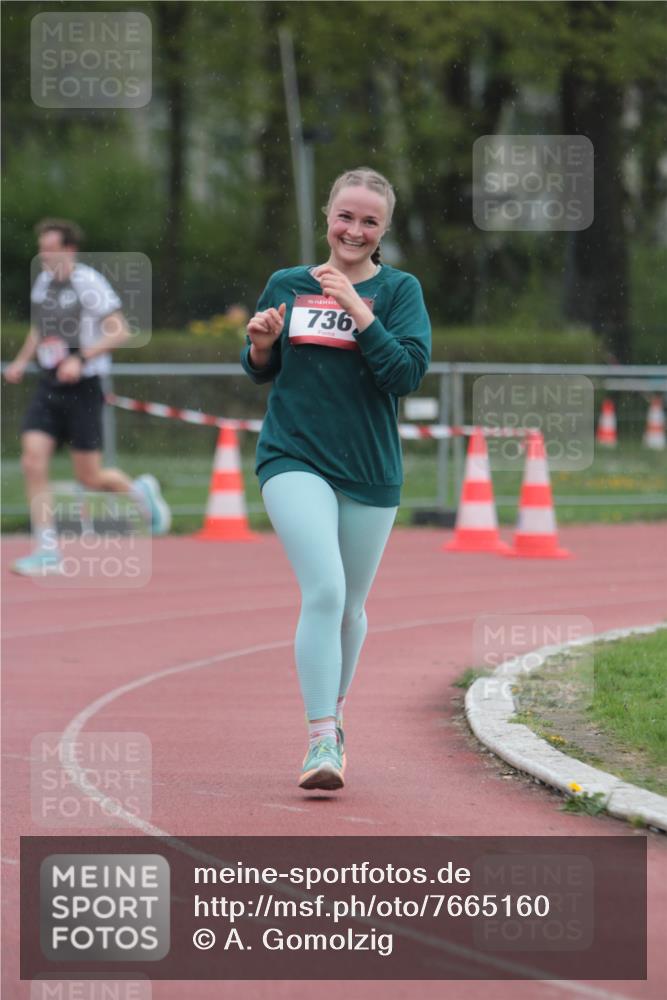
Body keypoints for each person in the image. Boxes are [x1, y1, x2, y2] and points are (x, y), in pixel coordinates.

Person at [241, 167, 431, 791]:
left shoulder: (401, 291)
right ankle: (322, 737)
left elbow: (404, 375)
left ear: (384, 230)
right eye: (345, 216)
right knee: (324, 590)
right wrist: (261, 346)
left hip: (370, 468)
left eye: (369, 221)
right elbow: (263, 372)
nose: (354, 229)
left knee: (350, 607)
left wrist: (359, 310)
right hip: (293, 455)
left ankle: (335, 714)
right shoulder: (288, 283)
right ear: (327, 216)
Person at [5, 218, 171, 576]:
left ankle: (140, 492)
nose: (43, 254)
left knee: (90, 477)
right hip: (49, 384)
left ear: (69, 250)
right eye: (41, 248)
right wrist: (20, 362)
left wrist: (80, 358)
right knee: (33, 461)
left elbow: (121, 331)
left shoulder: (89, 283)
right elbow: (40, 327)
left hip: (84, 387)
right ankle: (47, 549)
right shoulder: (43, 283)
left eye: (50, 248)